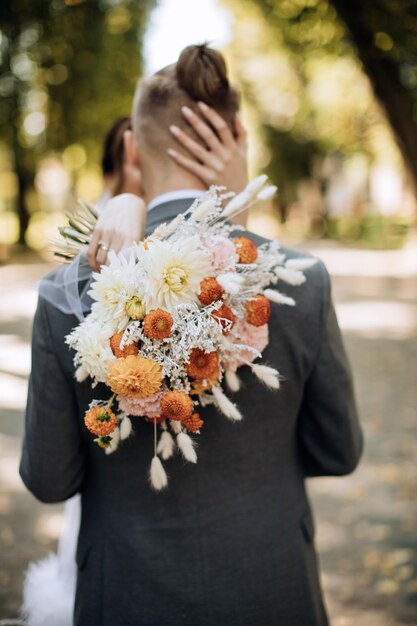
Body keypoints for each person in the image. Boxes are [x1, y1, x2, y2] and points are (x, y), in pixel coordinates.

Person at [20, 44, 362, 626]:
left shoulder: (72, 291)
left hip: (125, 597)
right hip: (272, 591)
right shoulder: (303, 284)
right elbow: (339, 450)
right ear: (237, 136)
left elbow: (49, 480)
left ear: (132, 145)